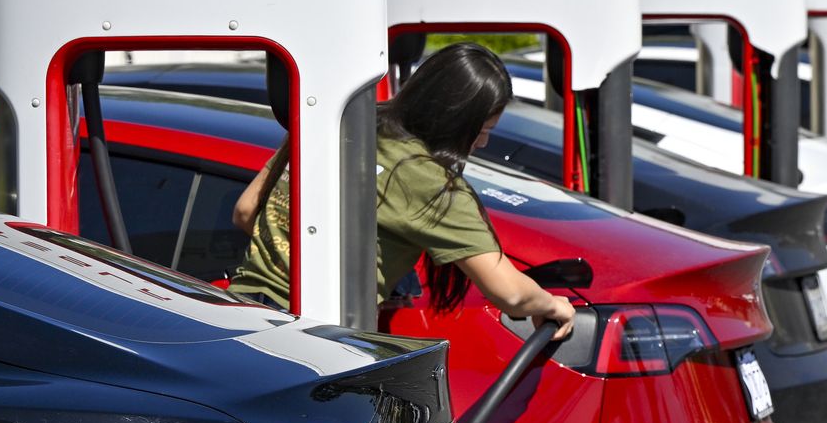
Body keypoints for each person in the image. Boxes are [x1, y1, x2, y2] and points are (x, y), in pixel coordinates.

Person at [229, 42, 575, 338]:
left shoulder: (342, 119)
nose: (482, 143)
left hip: (238, 314)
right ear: (457, 121)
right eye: (483, 130)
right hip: (309, 338)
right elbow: (511, 294)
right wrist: (552, 304)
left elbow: (246, 212)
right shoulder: (429, 182)